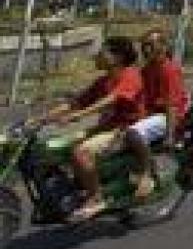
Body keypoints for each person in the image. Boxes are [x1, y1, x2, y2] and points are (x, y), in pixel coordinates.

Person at [43, 36, 144, 221]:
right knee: (58, 145)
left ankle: (96, 198)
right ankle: (76, 188)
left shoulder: (131, 75)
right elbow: (76, 102)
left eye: (102, 52)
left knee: (80, 152)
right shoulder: (102, 81)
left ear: (117, 57)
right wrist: (42, 119)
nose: (96, 56)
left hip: (125, 130)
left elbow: (112, 98)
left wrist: (80, 115)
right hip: (105, 129)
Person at [125, 29, 188, 199]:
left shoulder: (169, 70)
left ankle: (148, 174)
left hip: (169, 117)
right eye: (144, 46)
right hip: (153, 116)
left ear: (163, 46)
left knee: (133, 133)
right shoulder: (146, 70)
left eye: (150, 46)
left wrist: (169, 135)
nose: (146, 50)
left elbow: (172, 106)